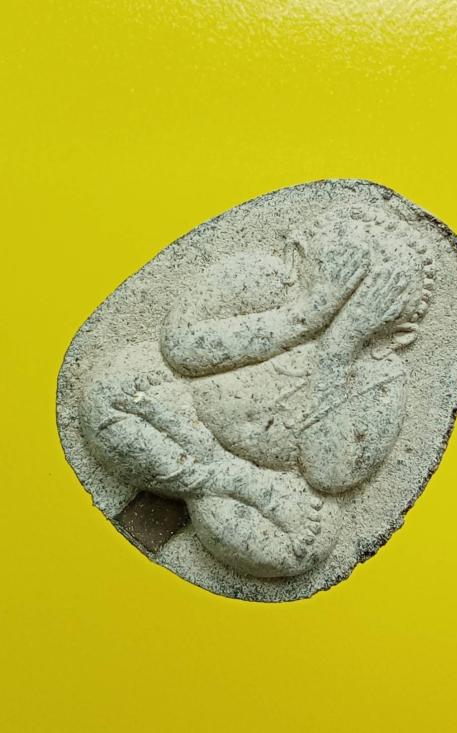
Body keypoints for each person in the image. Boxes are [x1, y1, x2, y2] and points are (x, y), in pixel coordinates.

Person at [80, 209, 432, 577]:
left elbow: (331, 475)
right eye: (345, 274)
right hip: (183, 411)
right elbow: (179, 348)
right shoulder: (260, 276)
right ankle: (225, 479)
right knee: (111, 391)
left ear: (399, 335)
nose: (344, 306)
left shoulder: (382, 373)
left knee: (304, 545)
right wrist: (304, 315)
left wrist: (339, 349)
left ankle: (208, 479)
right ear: (297, 255)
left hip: (275, 476)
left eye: (370, 303)